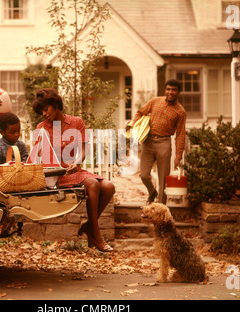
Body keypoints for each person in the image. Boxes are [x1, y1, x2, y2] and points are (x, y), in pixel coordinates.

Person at [32, 88, 115, 252]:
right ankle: (96, 235)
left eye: (45, 109)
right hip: (57, 175)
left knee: (109, 187)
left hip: (74, 170)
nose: (43, 114)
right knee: (93, 184)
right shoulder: (41, 127)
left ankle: (89, 227)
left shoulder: (76, 122)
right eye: (40, 111)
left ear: (55, 104)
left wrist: (76, 162)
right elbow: (37, 156)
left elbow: (83, 150)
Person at [132, 79, 186, 204]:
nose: (170, 92)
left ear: (178, 92)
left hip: (164, 143)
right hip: (148, 142)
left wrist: (178, 156)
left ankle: (161, 207)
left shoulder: (180, 111)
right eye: (168, 89)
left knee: (163, 180)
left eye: (173, 90)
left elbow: (180, 135)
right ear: (165, 90)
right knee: (144, 175)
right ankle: (152, 192)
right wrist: (135, 125)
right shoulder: (155, 101)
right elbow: (140, 112)